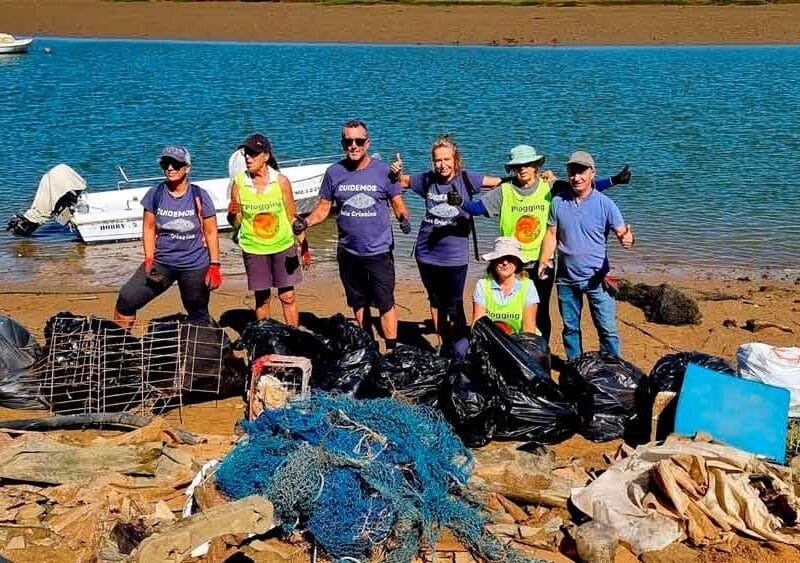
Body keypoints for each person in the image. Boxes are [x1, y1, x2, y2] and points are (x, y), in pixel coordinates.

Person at [450, 144, 630, 344]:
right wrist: (461, 202)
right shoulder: (504, 191)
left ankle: (542, 352)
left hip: (541, 263)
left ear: (536, 165)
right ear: (512, 169)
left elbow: (583, 187)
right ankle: (513, 348)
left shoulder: (550, 187)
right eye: (517, 166)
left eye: (527, 164)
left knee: (541, 311)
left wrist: (615, 180)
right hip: (512, 263)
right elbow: (477, 208)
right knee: (511, 310)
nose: (522, 169)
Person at [292, 120, 410, 350]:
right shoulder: (334, 173)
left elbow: (398, 203)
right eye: (348, 141)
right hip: (348, 252)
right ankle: (368, 345)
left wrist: (403, 219)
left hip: (379, 251)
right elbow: (324, 209)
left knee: (385, 302)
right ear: (342, 143)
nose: (353, 146)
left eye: (358, 141)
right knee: (358, 301)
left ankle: (393, 348)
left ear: (367, 143)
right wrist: (305, 222)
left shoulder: (384, 171)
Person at [389, 135, 503, 354]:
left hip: (455, 256)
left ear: (456, 159)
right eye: (438, 160)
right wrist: (394, 172)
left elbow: (501, 183)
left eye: (447, 159)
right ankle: (444, 345)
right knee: (435, 301)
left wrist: (534, 179)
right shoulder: (427, 180)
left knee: (455, 304)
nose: (442, 165)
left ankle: (461, 350)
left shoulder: (468, 179)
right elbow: (399, 182)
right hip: (425, 253)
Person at [537, 150, 634, 360]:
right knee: (570, 330)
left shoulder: (606, 204)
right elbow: (551, 234)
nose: (576, 177)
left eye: (582, 171)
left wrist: (627, 238)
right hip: (565, 280)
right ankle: (575, 368)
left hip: (597, 280)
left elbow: (622, 234)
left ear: (592, 173)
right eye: (572, 171)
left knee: (607, 330)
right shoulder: (558, 202)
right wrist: (544, 259)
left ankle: (613, 369)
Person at [114, 145, 221, 328]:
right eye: (166, 163)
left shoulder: (199, 195)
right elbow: (148, 228)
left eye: (176, 164)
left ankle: (216, 352)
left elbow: (211, 232)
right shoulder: (155, 194)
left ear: (187, 168)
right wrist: (149, 259)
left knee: (199, 314)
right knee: (126, 300)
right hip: (162, 264)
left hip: (194, 265)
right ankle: (119, 348)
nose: (170, 168)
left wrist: (215, 265)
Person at [227, 133, 307, 326]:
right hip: (254, 248)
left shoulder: (281, 182)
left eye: (253, 154)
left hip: (283, 246)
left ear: (266, 156)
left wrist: (304, 247)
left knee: (287, 296)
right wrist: (231, 216)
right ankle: (265, 339)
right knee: (262, 298)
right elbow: (236, 223)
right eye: (246, 153)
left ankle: (292, 337)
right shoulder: (239, 183)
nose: (248, 158)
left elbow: (292, 217)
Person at [472, 237, 538, 335]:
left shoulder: (528, 286)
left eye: (510, 258)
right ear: (493, 261)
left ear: (518, 262)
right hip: (491, 339)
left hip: (520, 339)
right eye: (500, 258)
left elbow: (528, 329)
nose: (505, 262)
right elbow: (478, 324)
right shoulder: (482, 284)